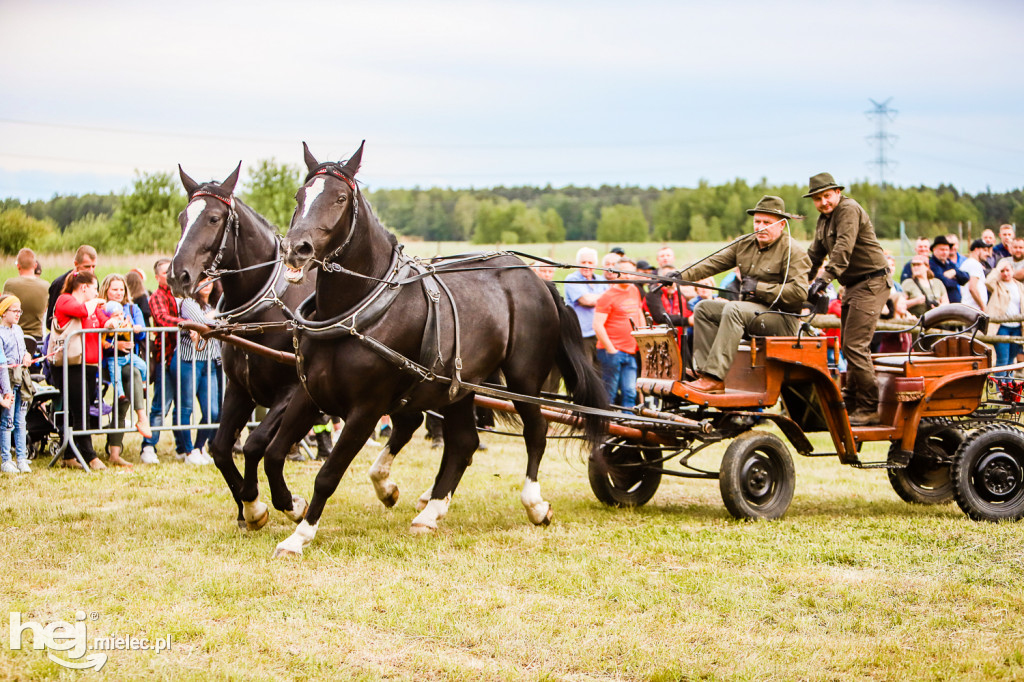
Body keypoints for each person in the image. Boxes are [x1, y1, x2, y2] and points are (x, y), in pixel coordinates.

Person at [676, 196, 810, 393]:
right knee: (704, 308)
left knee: (734, 308)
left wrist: (759, 287)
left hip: (782, 319)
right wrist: (678, 276)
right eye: (757, 221)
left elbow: (799, 293)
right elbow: (712, 263)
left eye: (767, 222)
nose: (760, 227)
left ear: (781, 225)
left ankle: (715, 377)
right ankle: (703, 372)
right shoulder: (744, 244)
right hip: (749, 315)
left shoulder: (794, 251)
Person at [804, 173, 890, 426]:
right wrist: (799, 283)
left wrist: (823, 279)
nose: (823, 202)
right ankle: (850, 401)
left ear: (838, 192)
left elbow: (843, 248)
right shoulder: (823, 220)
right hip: (853, 285)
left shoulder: (848, 209)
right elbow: (813, 255)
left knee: (855, 345)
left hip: (872, 281)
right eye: (817, 199)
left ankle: (869, 407)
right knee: (848, 346)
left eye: (827, 196)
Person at [51, 271, 110, 470]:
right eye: (94, 288)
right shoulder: (64, 300)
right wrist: (96, 303)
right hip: (69, 364)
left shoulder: (92, 306)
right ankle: (90, 456)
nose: (96, 292)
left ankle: (69, 455)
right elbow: (82, 311)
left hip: (89, 364)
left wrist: (114, 321)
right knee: (80, 409)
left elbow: (103, 321)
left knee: (81, 409)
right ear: (84, 287)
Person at [140, 258, 190, 464]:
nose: (170, 275)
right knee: (161, 405)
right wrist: (188, 323)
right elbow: (161, 319)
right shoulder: (158, 296)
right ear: (157, 276)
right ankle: (148, 447)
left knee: (182, 404)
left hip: (183, 357)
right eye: (165, 272)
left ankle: (181, 447)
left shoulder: (179, 294)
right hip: (166, 356)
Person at [98, 274, 151, 466]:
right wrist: (116, 346)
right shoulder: (101, 310)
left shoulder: (132, 308)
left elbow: (141, 331)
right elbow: (98, 337)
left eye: (121, 289)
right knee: (130, 382)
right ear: (106, 290)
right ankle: (142, 417)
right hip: (108, 363)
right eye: (114, 289)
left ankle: (114, 452)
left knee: (123, 403)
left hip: (129, 359)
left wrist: (131, 328)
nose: (118, 293)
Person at [178, 279, 220, 465]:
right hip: (190, 360)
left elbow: (211, 323)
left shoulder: (214, 303)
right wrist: (218, 315)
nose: (207, 285)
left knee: (212, 411)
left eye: (210, 281)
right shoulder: (188, 303)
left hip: (210, 361)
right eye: (202, 281)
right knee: (186, 407)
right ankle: (187, 451)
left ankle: (199, 446)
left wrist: (213, 318)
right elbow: (202, 321)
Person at [592, 258, 643, 406]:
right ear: (616, 273)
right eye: (624, 272)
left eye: (630, 273)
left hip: (631, 351)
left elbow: (639, 313)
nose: (627, 276)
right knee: (610, 392)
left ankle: (628, 423)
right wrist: (611, 349)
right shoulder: (607, 297)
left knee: (630, 392)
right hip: (612, 352)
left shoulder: (634, 290)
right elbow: (597, 325)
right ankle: (607, 424)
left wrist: (643, 339)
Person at [0, 295, 30, 473]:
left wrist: (26, 357)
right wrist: (5, 390)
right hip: (7, 380)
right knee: (7, 421)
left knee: (20, 420)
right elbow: (3, 366)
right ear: (4, 312)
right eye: (14, 310)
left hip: (21, 378)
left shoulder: (18, 330)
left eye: (20, 310)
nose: (18, 314)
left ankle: (22, 458)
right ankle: (6, 459)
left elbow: (24, 350)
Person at [563, 247, 608, 365]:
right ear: (578, 264)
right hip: (582, 336)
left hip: (601, 334)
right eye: (583, 262)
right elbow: (586, 300)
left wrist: (598, 297)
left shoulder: (601, 280)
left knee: (602, 371)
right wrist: (605, 297)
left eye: (590, 262)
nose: (587, 266)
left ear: (595, 264)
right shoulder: (572, 279)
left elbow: (610, 301)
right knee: (586, 371)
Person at [986, 260, 1024, 376]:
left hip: (1017, 327)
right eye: (1003, 271)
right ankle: (1000, 388)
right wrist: (998, 269)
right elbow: (988, 281)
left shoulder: (1020, 286)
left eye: (1008, 270)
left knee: (1011, 360)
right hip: (1001, 327)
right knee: (1002, 359)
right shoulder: (997, 285)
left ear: (1012, 271)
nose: (1005, 273)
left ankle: (1009, 386)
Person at [2, 248, 49, 341]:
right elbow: (45, 310)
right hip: (37, 338)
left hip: (12, 336)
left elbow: (4, 309)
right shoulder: (46, 286)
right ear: (35, 265)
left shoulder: (10, 284)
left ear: (18, 266)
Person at [45, 245, 97, 329]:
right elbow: (50, 321)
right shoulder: (59, 283)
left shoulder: (93, 282)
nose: (91, 271)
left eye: (93, 266)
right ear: (76, 264)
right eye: (87, 267)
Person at [928, 235, 969, 303]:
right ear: (934, 249)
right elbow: (943, 282)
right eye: (942, 249)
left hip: (956, 304)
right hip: (941, 305)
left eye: (946, 250)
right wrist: (956, 280)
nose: (944, 252)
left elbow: (965, 278)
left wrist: (955, 272)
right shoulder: (931, 264)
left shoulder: (949, 264)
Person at [959, 239, 989, 312]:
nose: (987, 254)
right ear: (976, 250)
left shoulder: (967, 263)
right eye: (985, 250)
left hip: (968, 308)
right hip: (974, 309)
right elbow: (972, 288)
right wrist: (982, 306)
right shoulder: (974, 264)